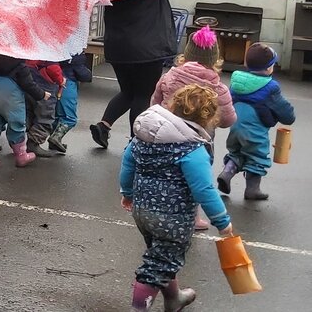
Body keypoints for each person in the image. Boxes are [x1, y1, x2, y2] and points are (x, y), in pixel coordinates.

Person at [120, 85, 233, 311]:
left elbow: (127, 164)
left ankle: (174, 298)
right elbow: (204, 189)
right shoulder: (192, 149)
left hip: (142, 212)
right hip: (174, 220)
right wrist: (222, 221)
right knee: (157, 265)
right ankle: (138, 308)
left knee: (160, 257)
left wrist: (127, 192)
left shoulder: (146, 137)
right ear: (209, 119)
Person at [150, 26, 237, 230]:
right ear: (215, 60)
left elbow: (155, 102)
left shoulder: (169, 76)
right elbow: (228, 120)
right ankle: (193, 218)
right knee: (196, 178)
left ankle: (157, 208)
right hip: (200, 141)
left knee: (164, 173)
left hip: (166, 134)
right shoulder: (218, 88)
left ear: (186, 55)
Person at [91, 0, 177, 149]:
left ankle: (103, 126)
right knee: (142, 95)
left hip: (118, 46)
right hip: (147, 48)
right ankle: (135, 142)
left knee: (128, 91)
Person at [218, 43, 295, 200]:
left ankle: (226, 173)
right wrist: (289, 117)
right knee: (257, 156)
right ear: (268, 68)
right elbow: (284, 111)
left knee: (236, 152)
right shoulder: (270, 87)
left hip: (235, 127)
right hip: (255, 130)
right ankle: (252, 190)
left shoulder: (237, 81)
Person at [0, 52, 51, 169]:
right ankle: (21, 156)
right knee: (17, 127)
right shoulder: (20, 67)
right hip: (13, 103)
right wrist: (42, 95)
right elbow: (29, 85)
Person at [48, 52, 92, 154]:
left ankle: (54, 140)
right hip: (67, 85)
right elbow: (83, 75)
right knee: (70, 118)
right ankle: (56, 137)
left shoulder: (55, 53)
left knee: (57, 116)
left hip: (54, 82)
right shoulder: (75, 56)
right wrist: (88, 74)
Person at [25, 60, 66, 157]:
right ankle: (33, 143)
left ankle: (19, 142)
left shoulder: (31, 51)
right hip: (46, 88)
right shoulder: (49, 54)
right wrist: (61, 80)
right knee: (45, 116)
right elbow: (53, 69)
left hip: (29, 83)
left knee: (28, 113)